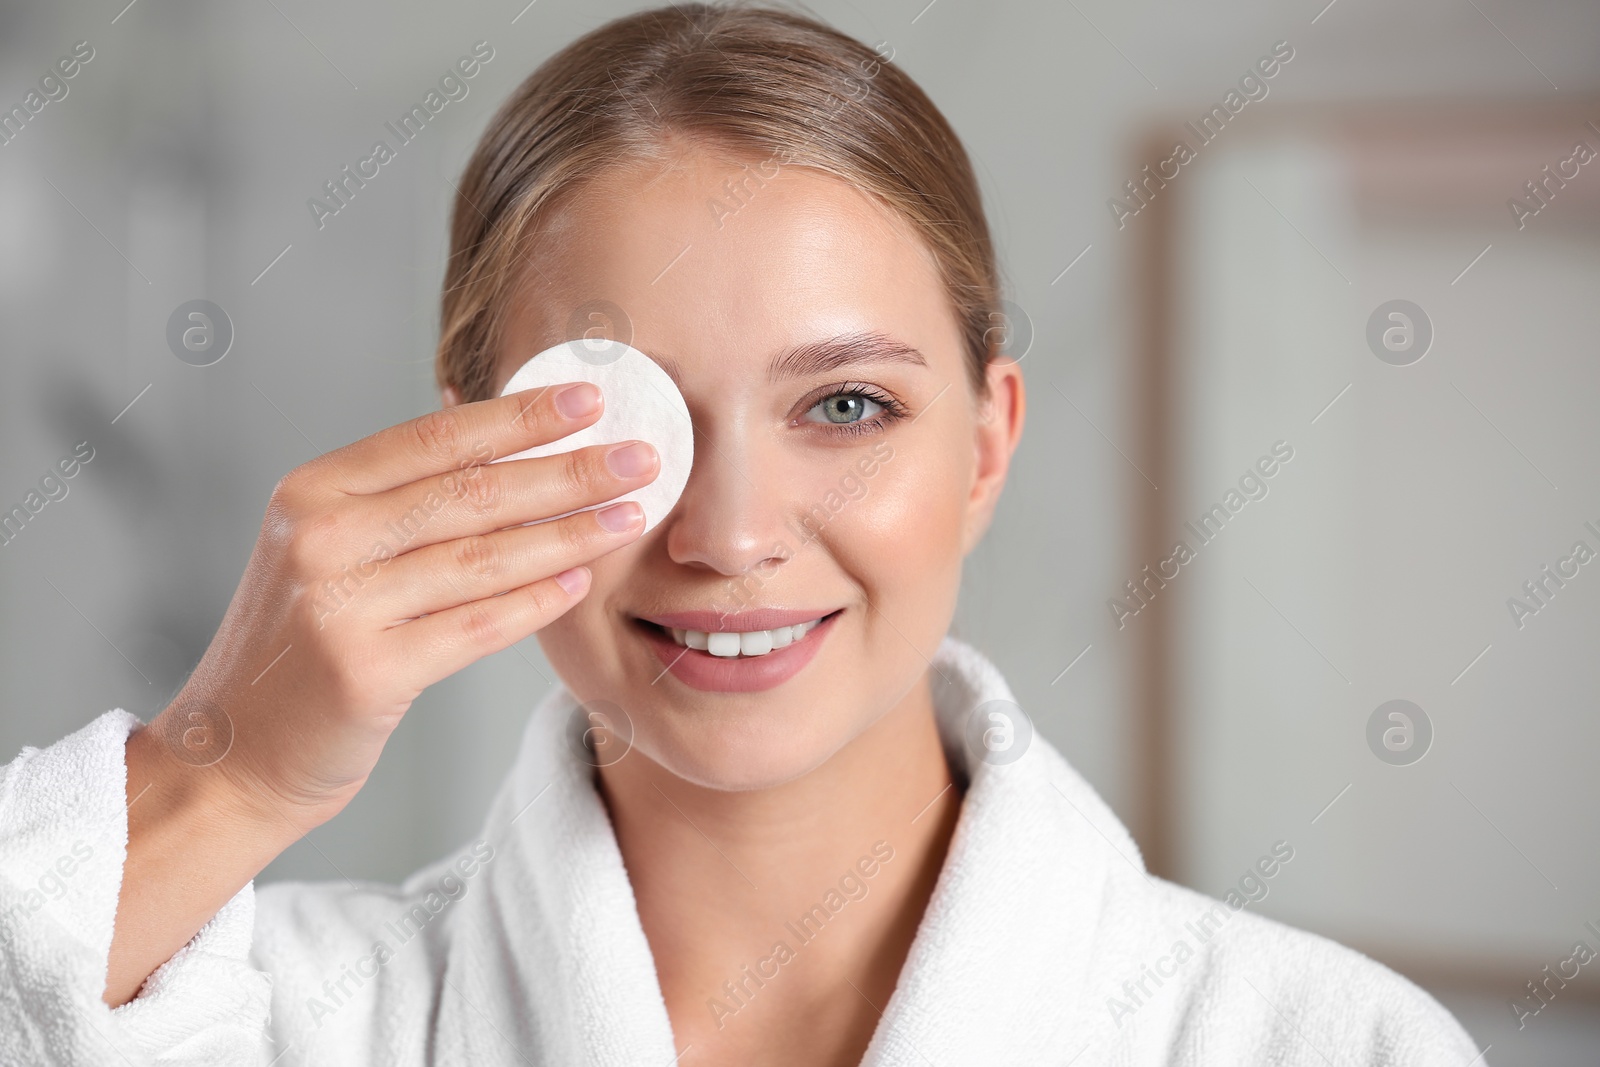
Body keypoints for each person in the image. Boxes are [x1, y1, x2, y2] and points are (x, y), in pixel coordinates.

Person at [0, 3, 1484, 1065]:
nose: (725, 532)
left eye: (844, 406)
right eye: (617, 424)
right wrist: (230, 772)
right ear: (467, 448)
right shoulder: (275, 1017)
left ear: (988, 439)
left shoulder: (1321, 1043)